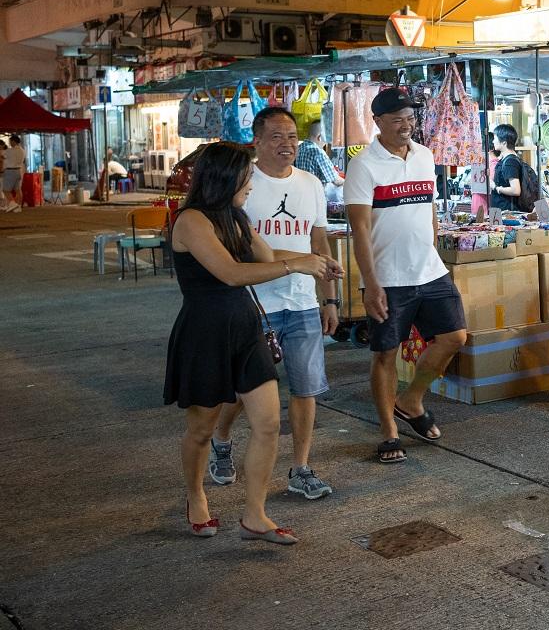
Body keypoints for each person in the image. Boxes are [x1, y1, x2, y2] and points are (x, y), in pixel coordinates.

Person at [164, 141, 340, 544]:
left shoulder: (237, 217)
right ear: (225, 178)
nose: (251, 185)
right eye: (246, 178)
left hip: (245, 327)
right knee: (201, 429)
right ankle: (196, 496)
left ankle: (255, 515)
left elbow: (266, 254)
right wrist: (296, 265)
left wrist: (315, 260)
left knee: (268, 423)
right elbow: (231, 273)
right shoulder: (191, 221)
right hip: (205, 332)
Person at [207, 108, 339, 501]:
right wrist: (297, 262)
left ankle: (300, 468)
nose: (287, 144)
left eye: (292, 136)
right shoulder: (243, 184)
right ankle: (221, 438)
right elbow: (241, 250)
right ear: (258, 141)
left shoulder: (311, 184)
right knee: (245, 388)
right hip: (254, 303)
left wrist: (330, 299)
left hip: (302, 302)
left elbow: (319, 242)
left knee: (306, 388)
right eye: (277, 137)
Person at [345, 87, 468, 464]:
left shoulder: (424, 155)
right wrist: (370, 283)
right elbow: (360, 229)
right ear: (378, 122)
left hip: (429, 270)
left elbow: (428, 208)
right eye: (397, 119)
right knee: (386, 353)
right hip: (387, 277)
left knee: (454, 337)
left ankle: (411, 399)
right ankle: (389, 431)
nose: (406, 126)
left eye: (410, 118)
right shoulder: (363, 165)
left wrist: (433, 245)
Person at [296, 121, 344, 203]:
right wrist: (349, 182)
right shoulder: (318, 152)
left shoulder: (298, 149)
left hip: (300, 198)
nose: (327, 142)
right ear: (320, 137)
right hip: (315, 199)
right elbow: (335, 180)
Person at [490, 124, 523, 211]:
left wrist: (496, 188)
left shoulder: (510, 162)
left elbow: (516, 190)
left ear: (504, 142)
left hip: (507, 212)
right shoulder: (508, 159)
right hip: (501, 210)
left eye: (495, 138)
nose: (493, 141)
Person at [4, 135, 27, 212]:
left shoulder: (10, 151)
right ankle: (19, 207)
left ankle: (13, 203)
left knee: (5, 190)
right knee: (18, 190)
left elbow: (2, 155)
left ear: (14, 141)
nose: (10, 143)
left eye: (10, 141)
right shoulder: (23, 151)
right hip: (19, 171)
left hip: (10, 171)